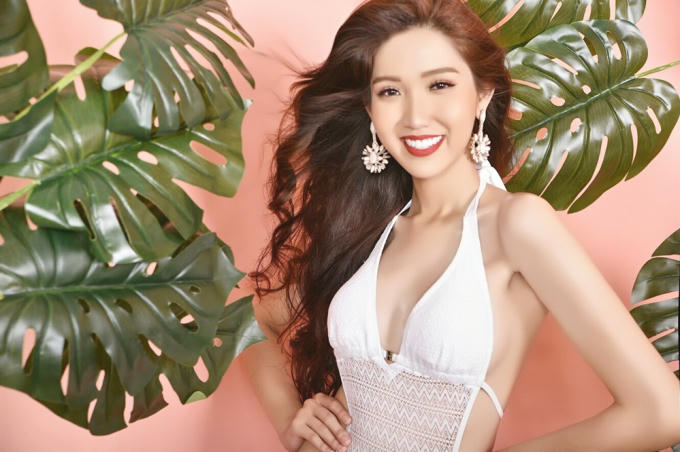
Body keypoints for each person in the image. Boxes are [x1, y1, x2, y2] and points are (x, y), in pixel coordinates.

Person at [243, 0, 680, 451]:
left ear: (483, 94)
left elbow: (662, 412)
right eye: (390, 91)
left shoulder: (516, 225)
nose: (415, 116)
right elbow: (248, 316)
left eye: (440, 85)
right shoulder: (368, 225)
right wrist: (290, 422)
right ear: (370, 109)